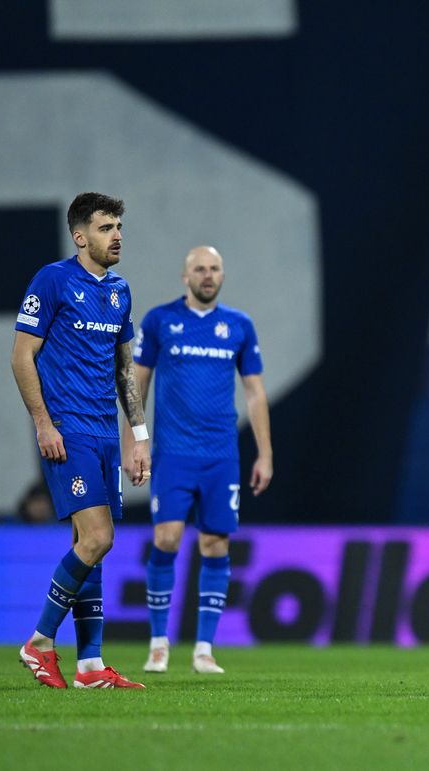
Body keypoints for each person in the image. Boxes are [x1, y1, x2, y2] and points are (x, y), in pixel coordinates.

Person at [12, 192, 149, 689]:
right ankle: (39, 643)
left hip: (106, 434)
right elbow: (22, 356)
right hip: (67, 432)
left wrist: (139, 436)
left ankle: (90, 665)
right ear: (80, 236)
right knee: (98, 538)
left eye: (119, 227)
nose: (116, 236)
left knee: (90, 547)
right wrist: (42, 423)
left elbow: (123, 370)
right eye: (106, 227)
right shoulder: (52, 280)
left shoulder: (120, 290)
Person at [125, 246, 272, 675]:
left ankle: (204, 649)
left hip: (221, 455)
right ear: (184, 277)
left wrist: (264, 453)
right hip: (172, 452)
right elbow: (138, 382)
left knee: (215, 544)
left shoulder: (239, 325)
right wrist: (137, 442)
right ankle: (157, 643)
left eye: (214, 269)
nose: (208, 275)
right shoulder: (159, 321)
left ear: (222, 275)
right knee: (167, 538)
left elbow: (255, 392)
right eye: (200, 270)